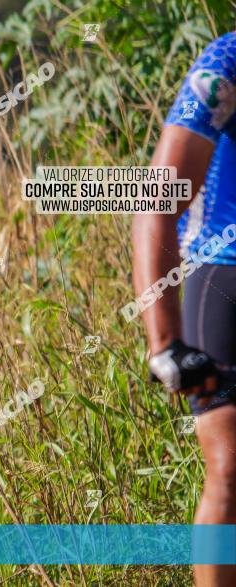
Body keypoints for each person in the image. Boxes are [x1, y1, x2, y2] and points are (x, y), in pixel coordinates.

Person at [131, 32, 236, 587]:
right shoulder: (227, 62)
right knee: (229, 468)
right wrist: (164, 343)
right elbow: (155, 201)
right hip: (225, 276)